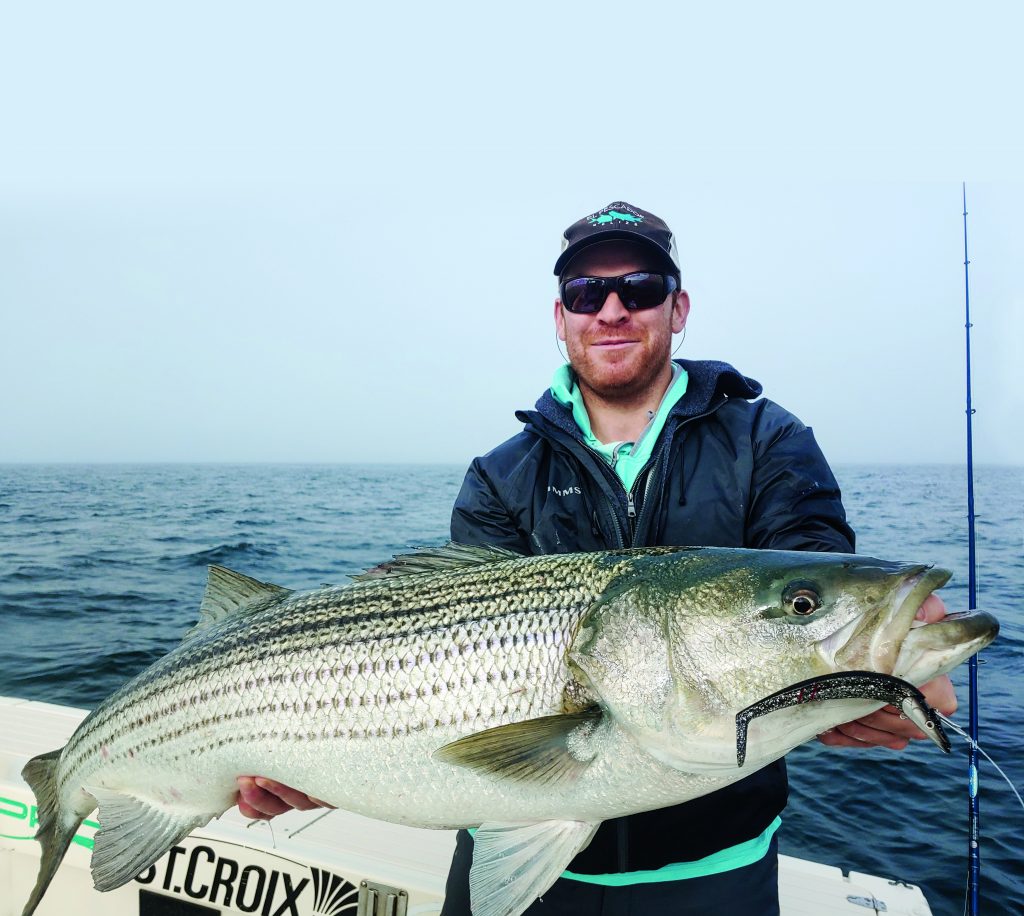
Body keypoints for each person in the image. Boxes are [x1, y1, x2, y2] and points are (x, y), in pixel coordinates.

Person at [236, 201, 956, 915]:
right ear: (562, 319)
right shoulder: (500, 475)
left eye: (638, 289)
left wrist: (871, 674)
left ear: (678, 308)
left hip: (715, 869)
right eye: (586, 293)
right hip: (517, 850)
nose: (611, 309)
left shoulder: (767, 439)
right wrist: (310, 763)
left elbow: (814, 572)